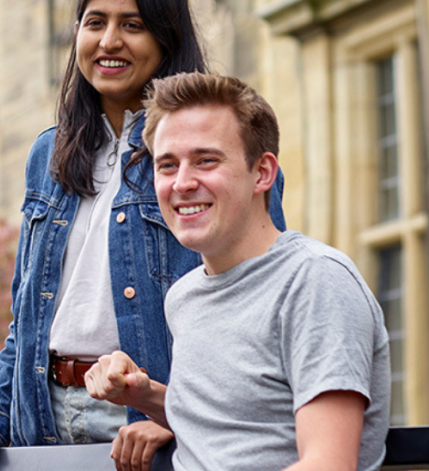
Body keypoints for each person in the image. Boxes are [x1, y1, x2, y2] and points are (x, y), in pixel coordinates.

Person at [0, 0, 285, 468]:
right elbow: (26, 319)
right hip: (40, 418)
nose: (109, 41)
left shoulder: (218, 153)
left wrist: (175, 413)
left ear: (167, 37)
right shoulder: (48, 153)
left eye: (133, 25)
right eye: (95, 22)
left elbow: (251, 307)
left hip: (146, 425)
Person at [85, 72, 391, 471]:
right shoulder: (185, 296)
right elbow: (235, 426)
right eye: (167, 165)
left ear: (262, 173)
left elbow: (328, 463)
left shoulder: (314, 280)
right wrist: (143, 396)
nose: (182, 183)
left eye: (205, 160)